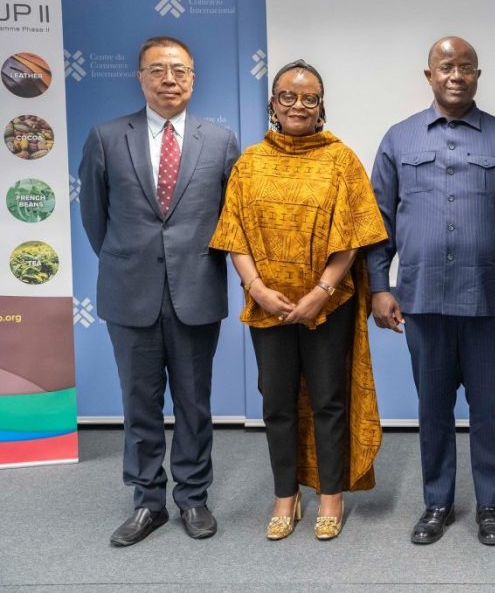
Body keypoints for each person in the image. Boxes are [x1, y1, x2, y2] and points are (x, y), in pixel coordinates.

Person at [368, 36, 495, 546]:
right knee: (433, 409)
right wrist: (378, 285)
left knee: (489, 410)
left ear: (477, 75)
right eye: (446, 66)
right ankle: (437, 503)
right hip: (422, 300)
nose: (456, 75)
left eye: (466, 67)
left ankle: (490, 504)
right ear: (429, 75)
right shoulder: (398, 139)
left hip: (488, 301)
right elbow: (378, 220)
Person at [209, 60, 387, 541]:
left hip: (328, 305)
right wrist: (258, 290)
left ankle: (331, 496)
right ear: (273, 103)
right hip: (266, 307)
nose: (299, 105)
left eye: (310, 98)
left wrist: (320, 293)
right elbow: (234, 235)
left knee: (329, 401)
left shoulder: (341, 160)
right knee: (277, 403)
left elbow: (354, 237)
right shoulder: (250, 163)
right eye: (288, 96)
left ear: (321, 105)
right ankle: (285, 496)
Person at [79, 36, 240, 546]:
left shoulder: (221, 141)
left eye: (179, 70)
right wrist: (131, 260)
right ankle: (148, 501)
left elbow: (230, 219)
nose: (169, 79)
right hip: (130, 292)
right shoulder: (106, 137)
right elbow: (96, 220)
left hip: (197, 291)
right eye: (157, 70)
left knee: (194, 403)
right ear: (140, 77)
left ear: (193, 78)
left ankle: (193, 496)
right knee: (139, 404)